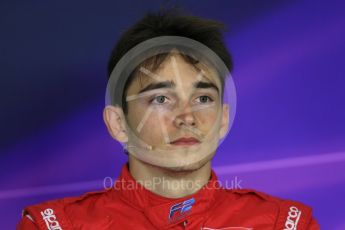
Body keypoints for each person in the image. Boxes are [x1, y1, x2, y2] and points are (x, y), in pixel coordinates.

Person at [17, 9, 319, 230]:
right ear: (118, 123)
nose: (187, 117)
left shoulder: (287, 224)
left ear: (223, 119)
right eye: (160, 99)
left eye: (203, 99)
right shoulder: (54, 226)